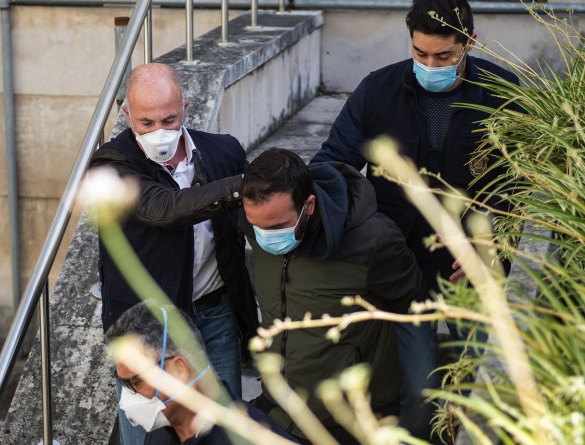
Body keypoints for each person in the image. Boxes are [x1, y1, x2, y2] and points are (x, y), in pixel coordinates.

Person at [311, 0, 522, 441]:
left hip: (475, 270)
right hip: (403, 265)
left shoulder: (504, 92)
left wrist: (490, 246)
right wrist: (361, 231)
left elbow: (522, 184)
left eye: (444, 56)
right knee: (419, 393)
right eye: (420, 53)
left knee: (471, 390)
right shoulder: (377, 90)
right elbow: (332, 166)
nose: (430, 65)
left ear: (470, 42)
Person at [90, 63, 259, 444]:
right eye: (146, 122)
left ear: (185, 107)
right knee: (146, 437)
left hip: (215, 317)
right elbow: (164, 208)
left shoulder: (222, 152)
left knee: (221, 434)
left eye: (169, 119)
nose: (159, 132)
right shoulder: (110, 165)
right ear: (126, 113)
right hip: (147, 331)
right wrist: (241, 185)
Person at [240, 148, 424, 444]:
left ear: (309, 205)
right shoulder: (256, 222)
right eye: (256, 226)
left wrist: (413, 397)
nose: (265, 237)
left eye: (277, 227)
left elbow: (413, 309)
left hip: (348, 418)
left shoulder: (372, 242)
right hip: (280, 408)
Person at [106, 301, 297, 444]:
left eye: (135, 381)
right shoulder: (162, 433)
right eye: (122, 382)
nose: (126, 400)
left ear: (178, 369)